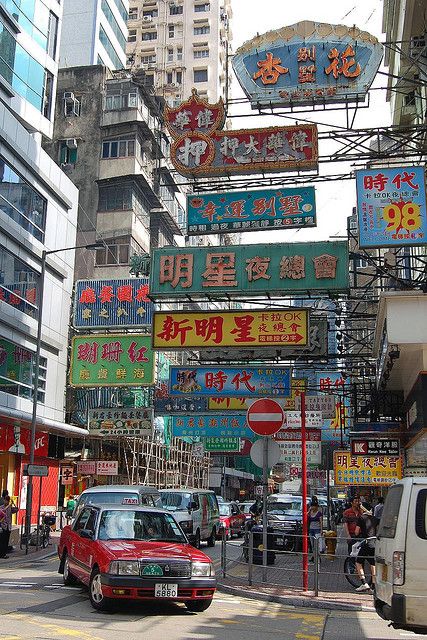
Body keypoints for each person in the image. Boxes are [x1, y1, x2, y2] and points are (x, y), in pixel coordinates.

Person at [354, 510, 378, 592]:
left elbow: (356, 532)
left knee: (358, 562)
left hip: (366, 542)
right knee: (373, 563)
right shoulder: (375, 518)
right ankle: (374, 586)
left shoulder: (361, 518)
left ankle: (364, 583)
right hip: (374, 542)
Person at [307, 496, 323, 561]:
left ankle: (318, 557)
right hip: (311, 530)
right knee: (312, 544)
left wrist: (321, 530)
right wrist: (309, 511)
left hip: (317, 530)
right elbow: (306, 517)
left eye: (314, 506)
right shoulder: (310, 513)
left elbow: (321, 522)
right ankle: (314, 556)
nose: (312, 507)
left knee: (317, 545)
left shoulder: (319, 513)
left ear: (316, 507)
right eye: (311, 506)